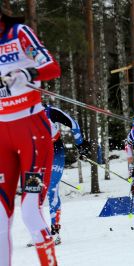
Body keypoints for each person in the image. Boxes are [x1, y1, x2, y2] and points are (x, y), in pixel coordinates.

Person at [0, 6, 60, 266]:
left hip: (32, 131)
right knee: (0, 216)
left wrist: (28, 73)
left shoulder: (19, 33)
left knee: (30, 212)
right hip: (2, 136)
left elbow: (52, 67)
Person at [43, 104, 90, 245]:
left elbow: (73, 123)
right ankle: (38, 230)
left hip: (55, 151)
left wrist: (80, 144)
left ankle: (55, 231)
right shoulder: (19, 114)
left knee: (52, 188)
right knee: (34, 193)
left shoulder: (50, 112)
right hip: (36, 155)